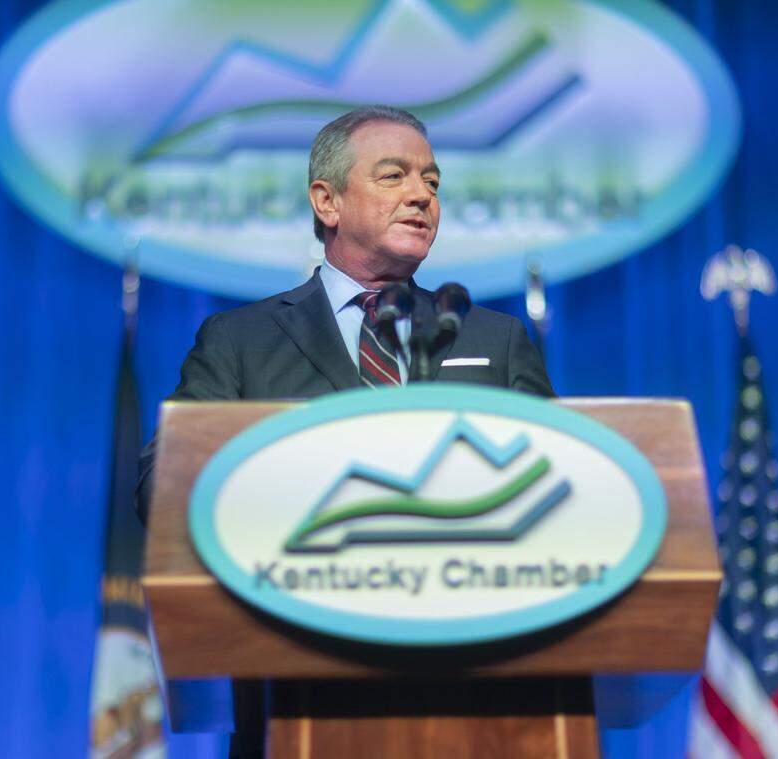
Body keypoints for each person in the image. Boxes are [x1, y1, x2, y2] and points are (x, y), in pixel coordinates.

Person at [138, 105, 553, 758]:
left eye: (432, 181)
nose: (422, 195)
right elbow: (163, 484)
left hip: (471, 693)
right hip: (294, 681)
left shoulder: (490, 339)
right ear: (326, 201)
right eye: (394, 176)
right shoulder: (242, 341)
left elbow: (559, 488)